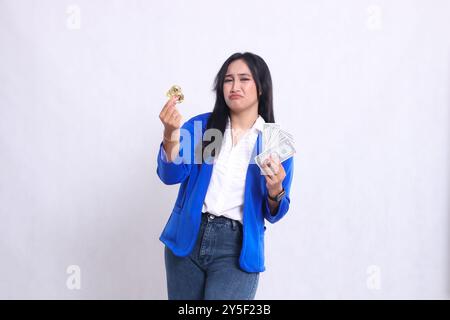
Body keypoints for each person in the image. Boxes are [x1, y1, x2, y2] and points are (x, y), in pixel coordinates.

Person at [157, 52, 294, 300]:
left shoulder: (274, 142)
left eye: (244, 79)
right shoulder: (205, 128)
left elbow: (275, 211)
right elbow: (171, 175)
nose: (235, 87)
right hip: (188, 238)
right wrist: (170, 135)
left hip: (236, 248)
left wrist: (276, 190)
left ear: (261, 87)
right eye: (228, 80)